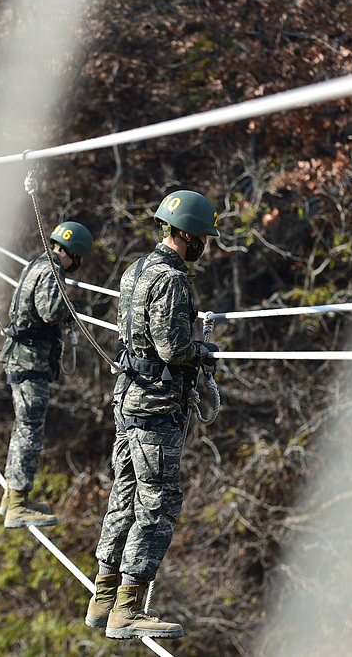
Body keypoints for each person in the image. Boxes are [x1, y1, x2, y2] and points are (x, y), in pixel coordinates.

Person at [86, 190, 219, 640]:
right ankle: (129, 606)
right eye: (202, 236)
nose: (204, 244)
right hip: (155, 408)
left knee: (123, 497)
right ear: (184, 233)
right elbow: (172, 349)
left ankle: (103, 597)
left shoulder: (134, 270)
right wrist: (202, 350)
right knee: (157, 502)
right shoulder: (173, 280)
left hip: (128, 401)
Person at [0, 220, 94, 528]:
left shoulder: (35, 264)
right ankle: (17, 503)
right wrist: (70, 311)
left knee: (22, 427)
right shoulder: (54, 271)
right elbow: (50, 311)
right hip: (30, 363)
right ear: (77, 255)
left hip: (21, 360)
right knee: (30, 431)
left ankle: (11, 496)